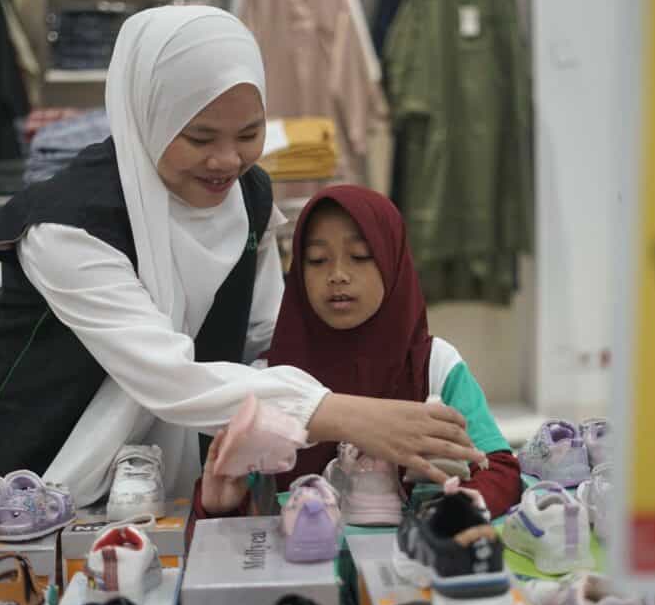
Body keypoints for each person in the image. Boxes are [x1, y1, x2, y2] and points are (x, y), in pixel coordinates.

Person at [0, 6, 484, 506]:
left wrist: (389, 386)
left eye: (249, 134)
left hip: (173, 480)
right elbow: (167, 377)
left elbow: (268, 337)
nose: (227, 160)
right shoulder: (66, 226)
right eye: (200, 137)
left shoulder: (248, 199)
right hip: (34, 480)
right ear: (147, 116)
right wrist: (341, 414)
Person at [196, 186, 523, 521]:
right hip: (303, 562)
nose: (337, 275)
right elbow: (235, 498)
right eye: (317, 260)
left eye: (361, 255)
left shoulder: (434, 364)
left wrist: (461, 509)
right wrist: (219, 505)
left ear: (392, 260)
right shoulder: (272, 378)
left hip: (414, 559)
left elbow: (498, 466)